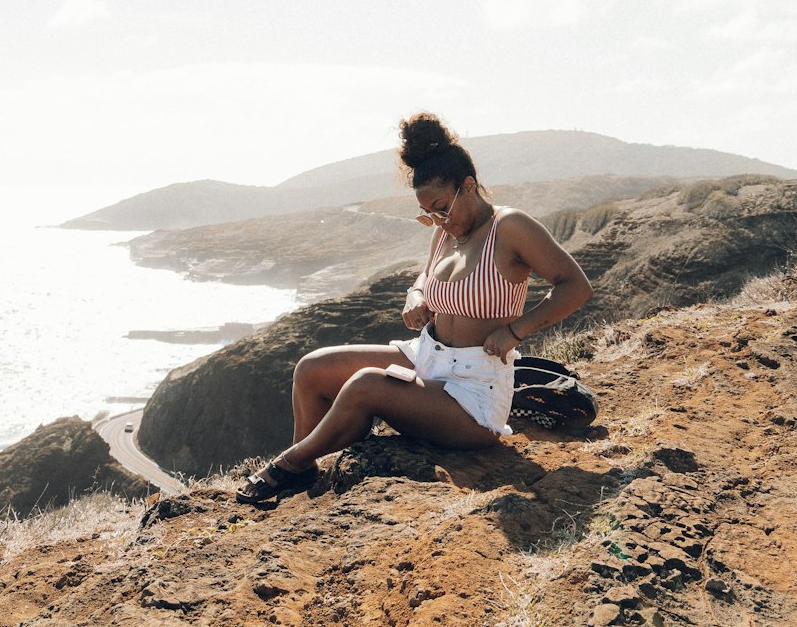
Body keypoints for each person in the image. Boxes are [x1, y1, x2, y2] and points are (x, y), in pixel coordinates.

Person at [237, 112, 593, 505]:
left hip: (473, 392)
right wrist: (417, 296)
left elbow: (575, 286)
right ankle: (304, 470)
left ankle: (288, 463)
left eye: (442, 208)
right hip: (426, 357)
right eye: (429, 214)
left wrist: (515, 331)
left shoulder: (509, 227)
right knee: (312, 368)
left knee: (366, 384)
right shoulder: (445, 233)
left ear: (468, 186)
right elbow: (424, 278)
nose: (439, 221)